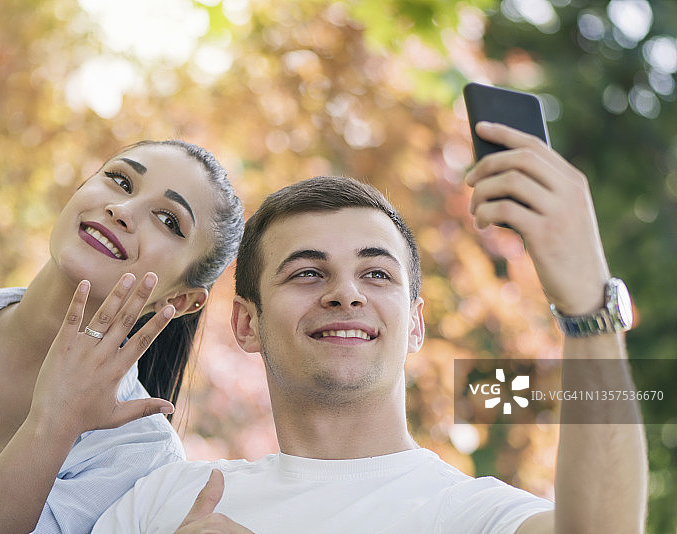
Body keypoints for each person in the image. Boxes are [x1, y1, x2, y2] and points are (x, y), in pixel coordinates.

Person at [92, 123, 647, 533]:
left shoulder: (470, 515)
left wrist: (587, 308)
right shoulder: (166, 500)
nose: (346, 292)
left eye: (376, 273)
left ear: (415, 324)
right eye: (308, 272)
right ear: (246, 324)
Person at [0, 139, 245, 534]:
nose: (122, 211)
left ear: (183, 298)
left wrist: (56, 420)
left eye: (168, 221)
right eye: (121, 181)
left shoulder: (140, 454)